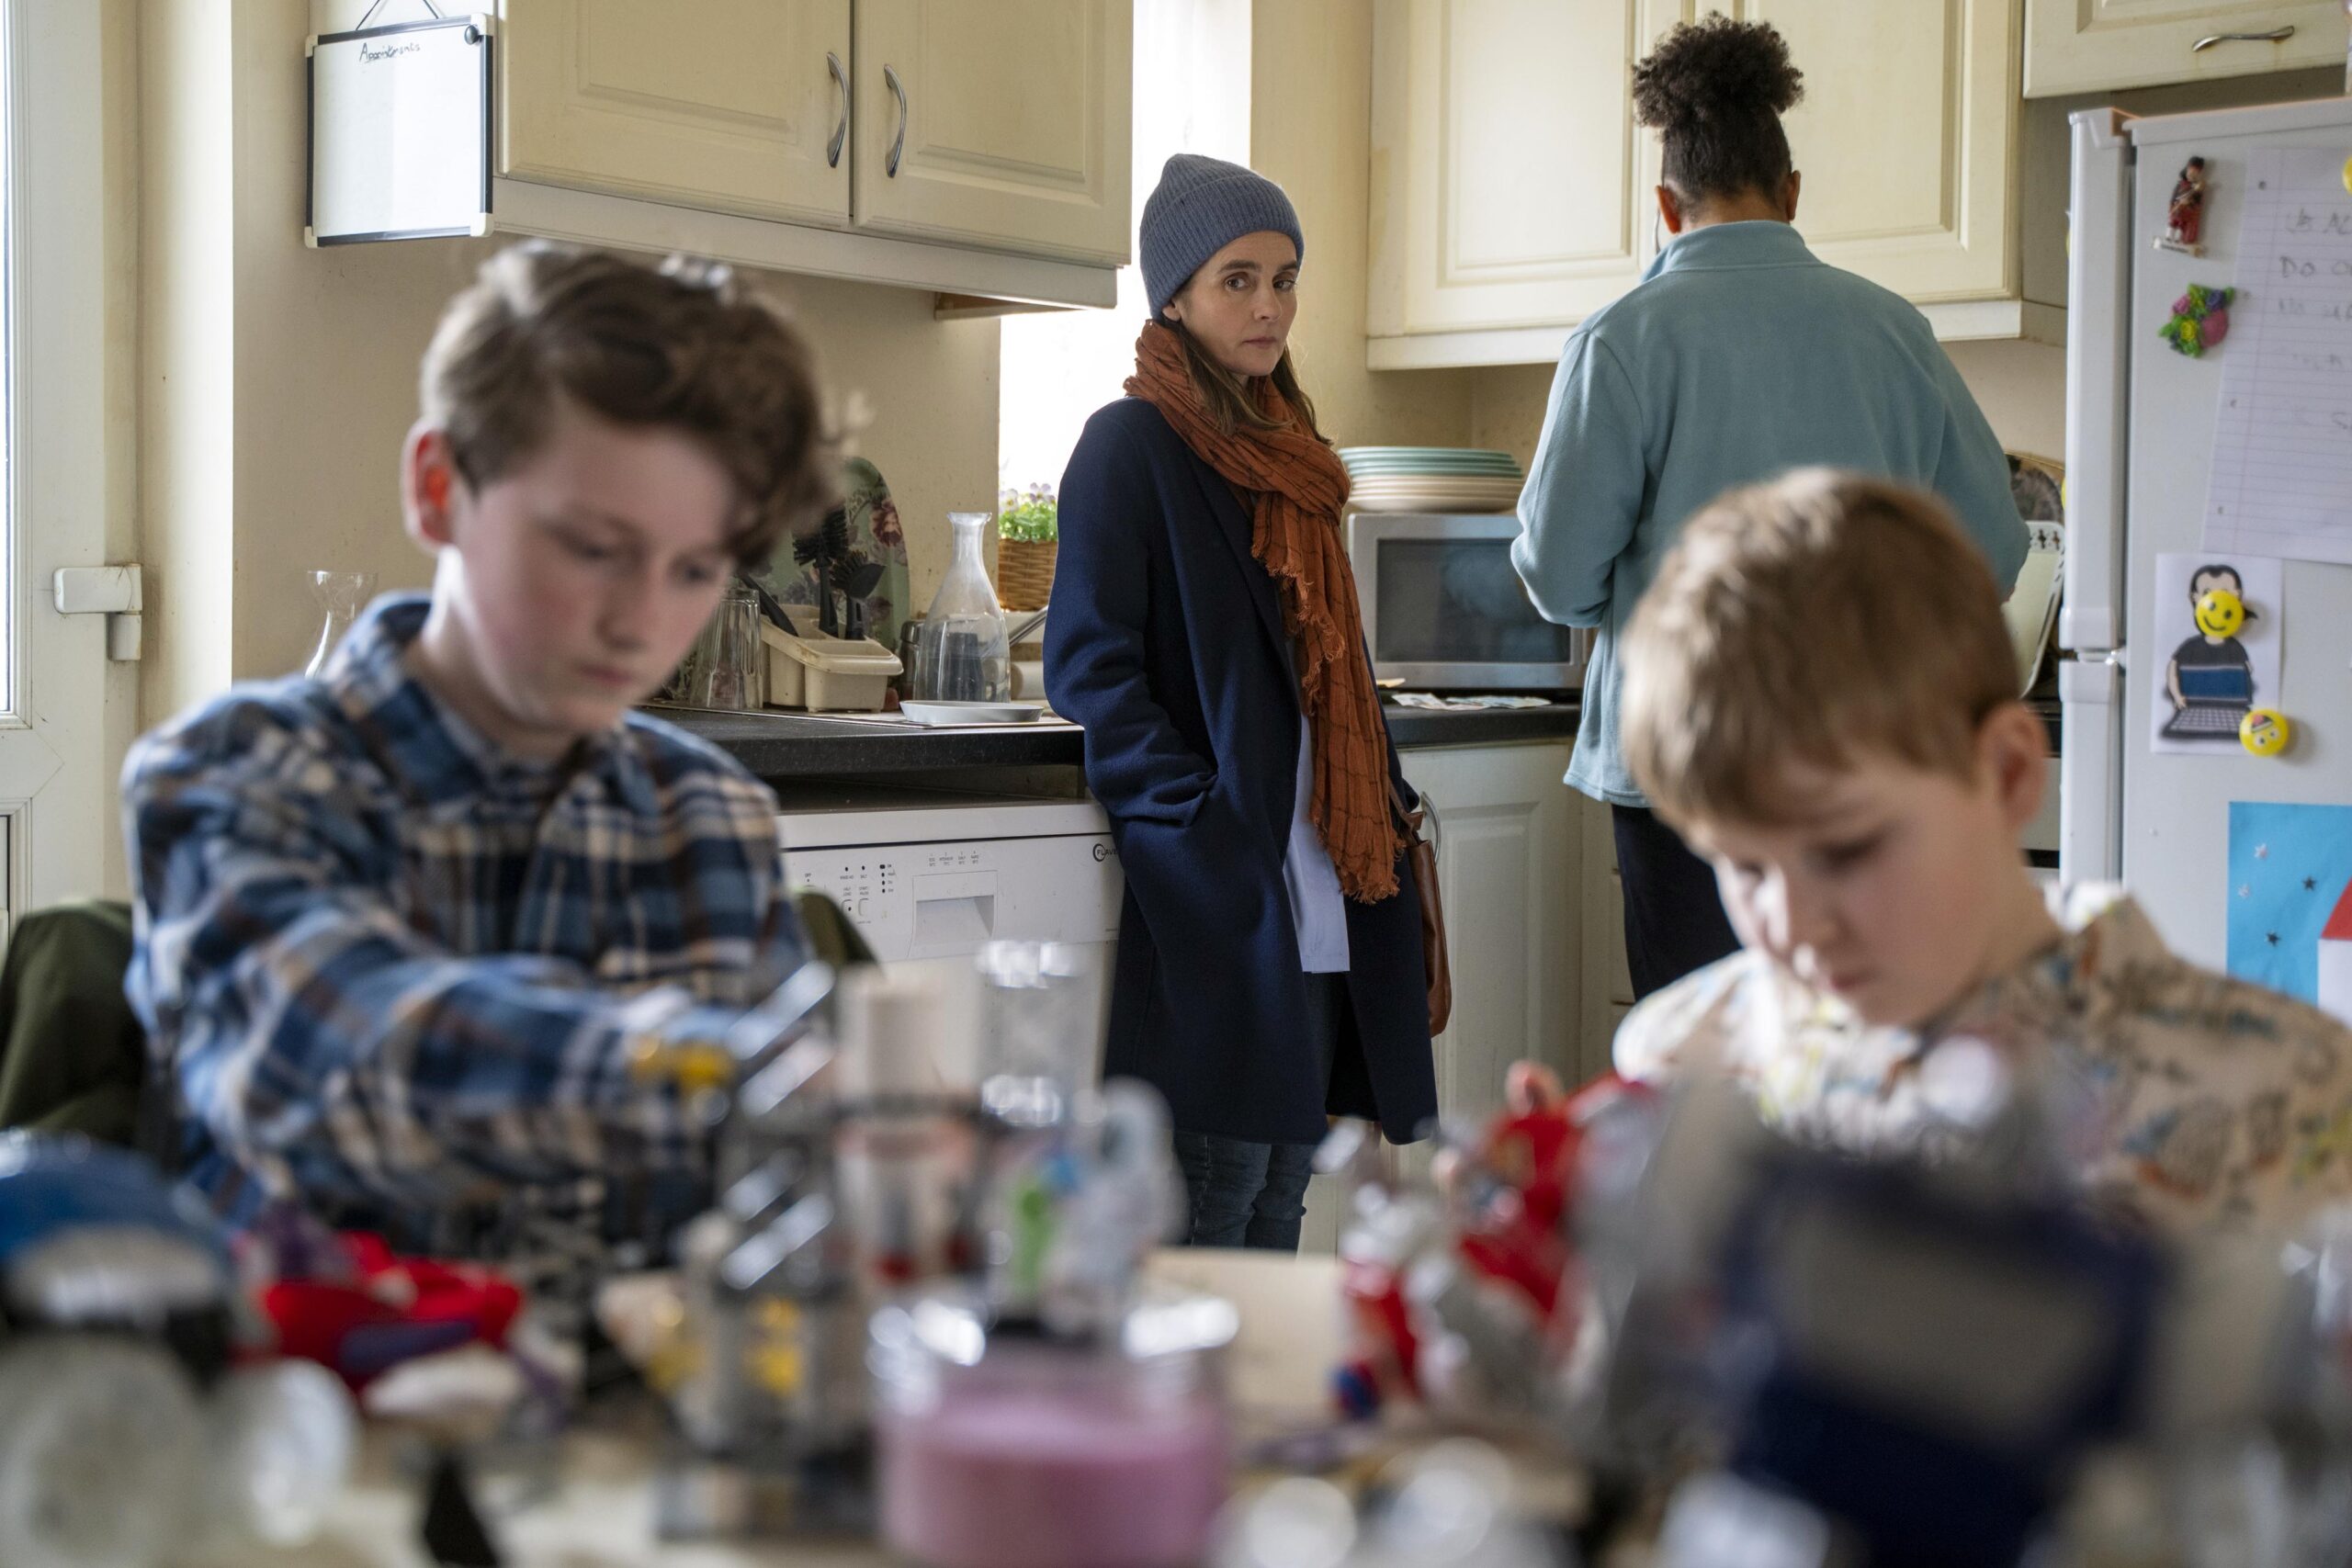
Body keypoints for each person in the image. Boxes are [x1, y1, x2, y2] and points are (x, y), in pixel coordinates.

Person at [124, 242, 834, 1255]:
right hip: (323, 1400)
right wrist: (733, 1074)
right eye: (593, 549)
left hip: (633, 1407)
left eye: (694, 569)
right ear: (439, 486)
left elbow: (782, 1201)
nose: (640, 622)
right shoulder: (238, 773)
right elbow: (334, 1067)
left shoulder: (711, 814)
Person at [1606, 468, 2352, 1236]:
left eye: (1847, 850)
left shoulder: (2292, 1099)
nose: (1794, 925)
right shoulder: (1684, 1063)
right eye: (1746, 865)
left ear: (2007, 773)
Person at [1512, 16, 2028, 1002]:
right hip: (1869, 758)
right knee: (1858, 1046)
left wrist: (1628, 593)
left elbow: (1556, 572)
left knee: (1701, 1059)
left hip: (1685, 765)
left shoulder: (1621, 341)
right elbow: (1990, 555)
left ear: (1665, 206)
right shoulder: (1892, 329)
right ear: (1791, 193)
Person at [1046, 154, 1437, 1251]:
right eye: (1237, 279)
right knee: (1212, 1201)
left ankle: (1259, 1415)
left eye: (1284, 277)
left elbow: (1332, 671)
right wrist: (1194, 824)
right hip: (1228, 877)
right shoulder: (1130, 447)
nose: (1269, 305)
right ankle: (1207, 1415)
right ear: (1175, 294)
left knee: (1284, 1194)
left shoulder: (1294, 458)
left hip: (1327, 871)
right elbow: (1089, 667)